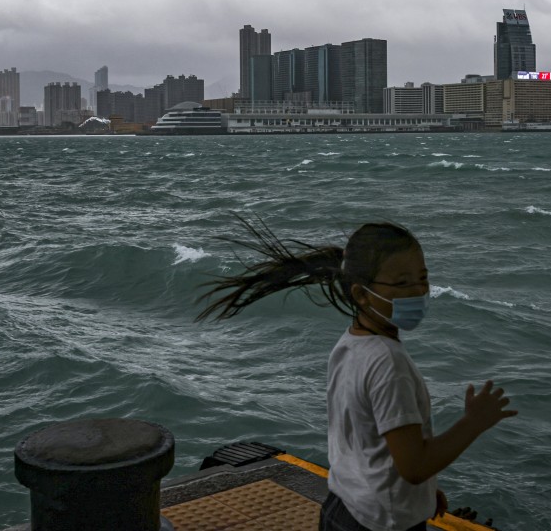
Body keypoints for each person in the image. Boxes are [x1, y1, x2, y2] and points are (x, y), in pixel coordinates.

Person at [197, 218, 517, 531]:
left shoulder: (350, 344)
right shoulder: (390, 364)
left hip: (344, 505)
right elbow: (415, 466)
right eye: (403, 283)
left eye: (423, 277)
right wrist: (473, 423)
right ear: (362, 295)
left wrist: (421, 495)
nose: (419, 291)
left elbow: (367, 438)